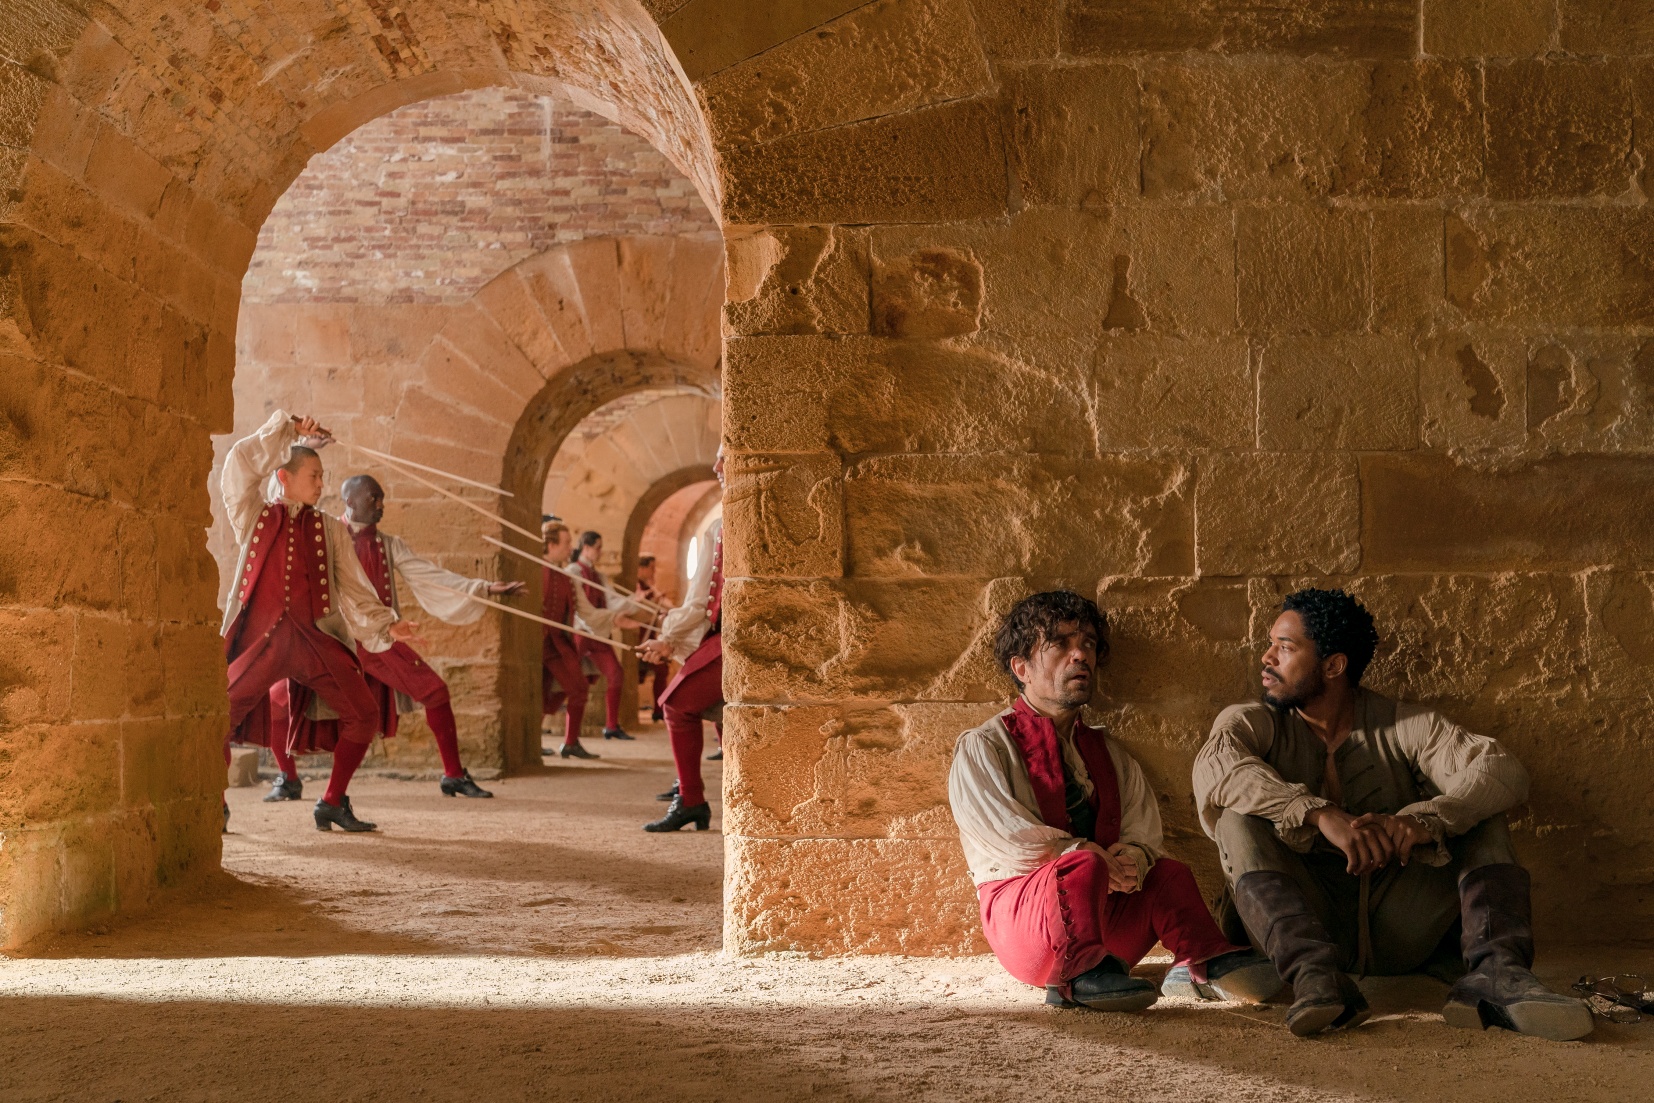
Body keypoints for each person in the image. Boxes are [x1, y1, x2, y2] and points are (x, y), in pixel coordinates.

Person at [1192, 588, 1592, 1040]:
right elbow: (1215, 767)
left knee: (1483, 815)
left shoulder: (1404, 724)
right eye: (1272, 643)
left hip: (1402, 923)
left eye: (1285, 647)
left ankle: (1498, 975)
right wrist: (1316, 812)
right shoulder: (1251, 720)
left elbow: (1502, 770)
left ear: (1333, 665)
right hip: (1305, 917)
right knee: (1235, 819)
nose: (1267, 657)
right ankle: (1317, 980)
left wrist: (1426, 819)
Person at [948, 590, 1280, 1012]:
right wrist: (1089, 855)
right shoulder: (983, 746)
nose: (1080, 655)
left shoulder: (1110, 752)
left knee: (1168, 872)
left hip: (1109, 922)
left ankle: (1202, 962)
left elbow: (1144, 830)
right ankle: (1077, 977)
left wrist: (1132, 858)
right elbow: (1005, 835)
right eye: (1062, 644)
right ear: (1021, 668)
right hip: (1028, 925)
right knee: (1082, 863)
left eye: (1087, 643)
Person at [264, 474, 524, 801]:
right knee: (276, 701)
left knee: (435, 692)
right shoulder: (325, 536)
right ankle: (288, 778)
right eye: (373, 499)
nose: (380, 506)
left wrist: (482, 588)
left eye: (381, 498)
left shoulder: (388, 545)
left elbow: (429, 575)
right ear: (350, 501)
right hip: (332, 643)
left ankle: (453, 775)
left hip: (378, 640)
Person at [220, 410, 418, 833]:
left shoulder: (329, 528)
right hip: (262, 643)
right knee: (217, 713)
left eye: (323, 476)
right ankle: (212, 803)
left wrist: (386, 625)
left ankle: (331, 801)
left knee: (363, 713)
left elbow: (354, 586)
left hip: (314, 642)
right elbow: (238, 463)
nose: (322, 484)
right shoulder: (253, 514)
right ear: (285, 476)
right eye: (314, 475)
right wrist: (286, 430)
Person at [636, 457, 726, 832]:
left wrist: (670, 639)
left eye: (725, 462)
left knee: (675, 704)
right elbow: (704, 601)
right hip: (728, 637)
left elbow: (701, 601)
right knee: (709, 710)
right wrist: (670, 640)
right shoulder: (721, 527)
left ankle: (691, 798)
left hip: (737, 640)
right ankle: (691, 795)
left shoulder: (723, 527)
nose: (719, 468)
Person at [541, 522, 643, 759]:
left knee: (575, 688)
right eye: (566, 544)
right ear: (551, 544)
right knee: (545, 691)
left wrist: (618, 616)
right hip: (546, 642)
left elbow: (586, 610)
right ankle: (545, 741)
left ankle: (571, 741)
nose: (570, 549)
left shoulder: (569, 576)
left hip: (559, 643)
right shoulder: (549, 571)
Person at [573, 531, 633, 741]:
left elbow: (612, 600)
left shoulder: (599, 576)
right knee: (568, 682)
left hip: (598, 634)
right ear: (586, 547)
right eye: (597, 547)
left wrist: (635, 602)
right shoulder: (573, 571)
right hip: (580, 633)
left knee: (616, 673)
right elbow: (579, 610)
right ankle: (568, 738)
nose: (600, 552)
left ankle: (611, 725)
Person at [633, 555, 672, 723]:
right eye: (651, 568)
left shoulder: (649, 587)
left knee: (661, 669)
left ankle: (658, 709)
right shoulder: (636, 586)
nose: (653, 572)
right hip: (637, 635)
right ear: (642, 568)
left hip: (648, 635)